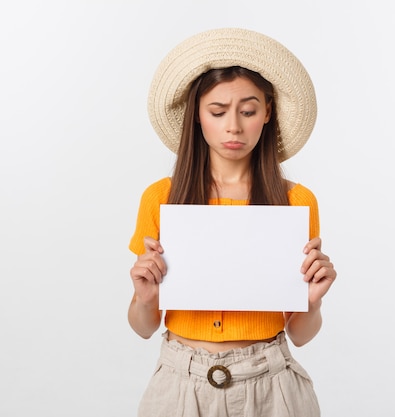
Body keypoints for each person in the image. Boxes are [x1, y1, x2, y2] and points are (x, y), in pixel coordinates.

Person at [128, 28, 337, 417]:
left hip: (272, 385)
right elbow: (143, 327)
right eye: (218, 111)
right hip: (180, 384)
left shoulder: (295, 202)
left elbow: (300, 335)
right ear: (197, 116)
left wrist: (313, 300)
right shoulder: (161, 198)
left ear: (268, 112)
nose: (234, 127)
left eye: (248, 110)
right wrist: (145, 296)